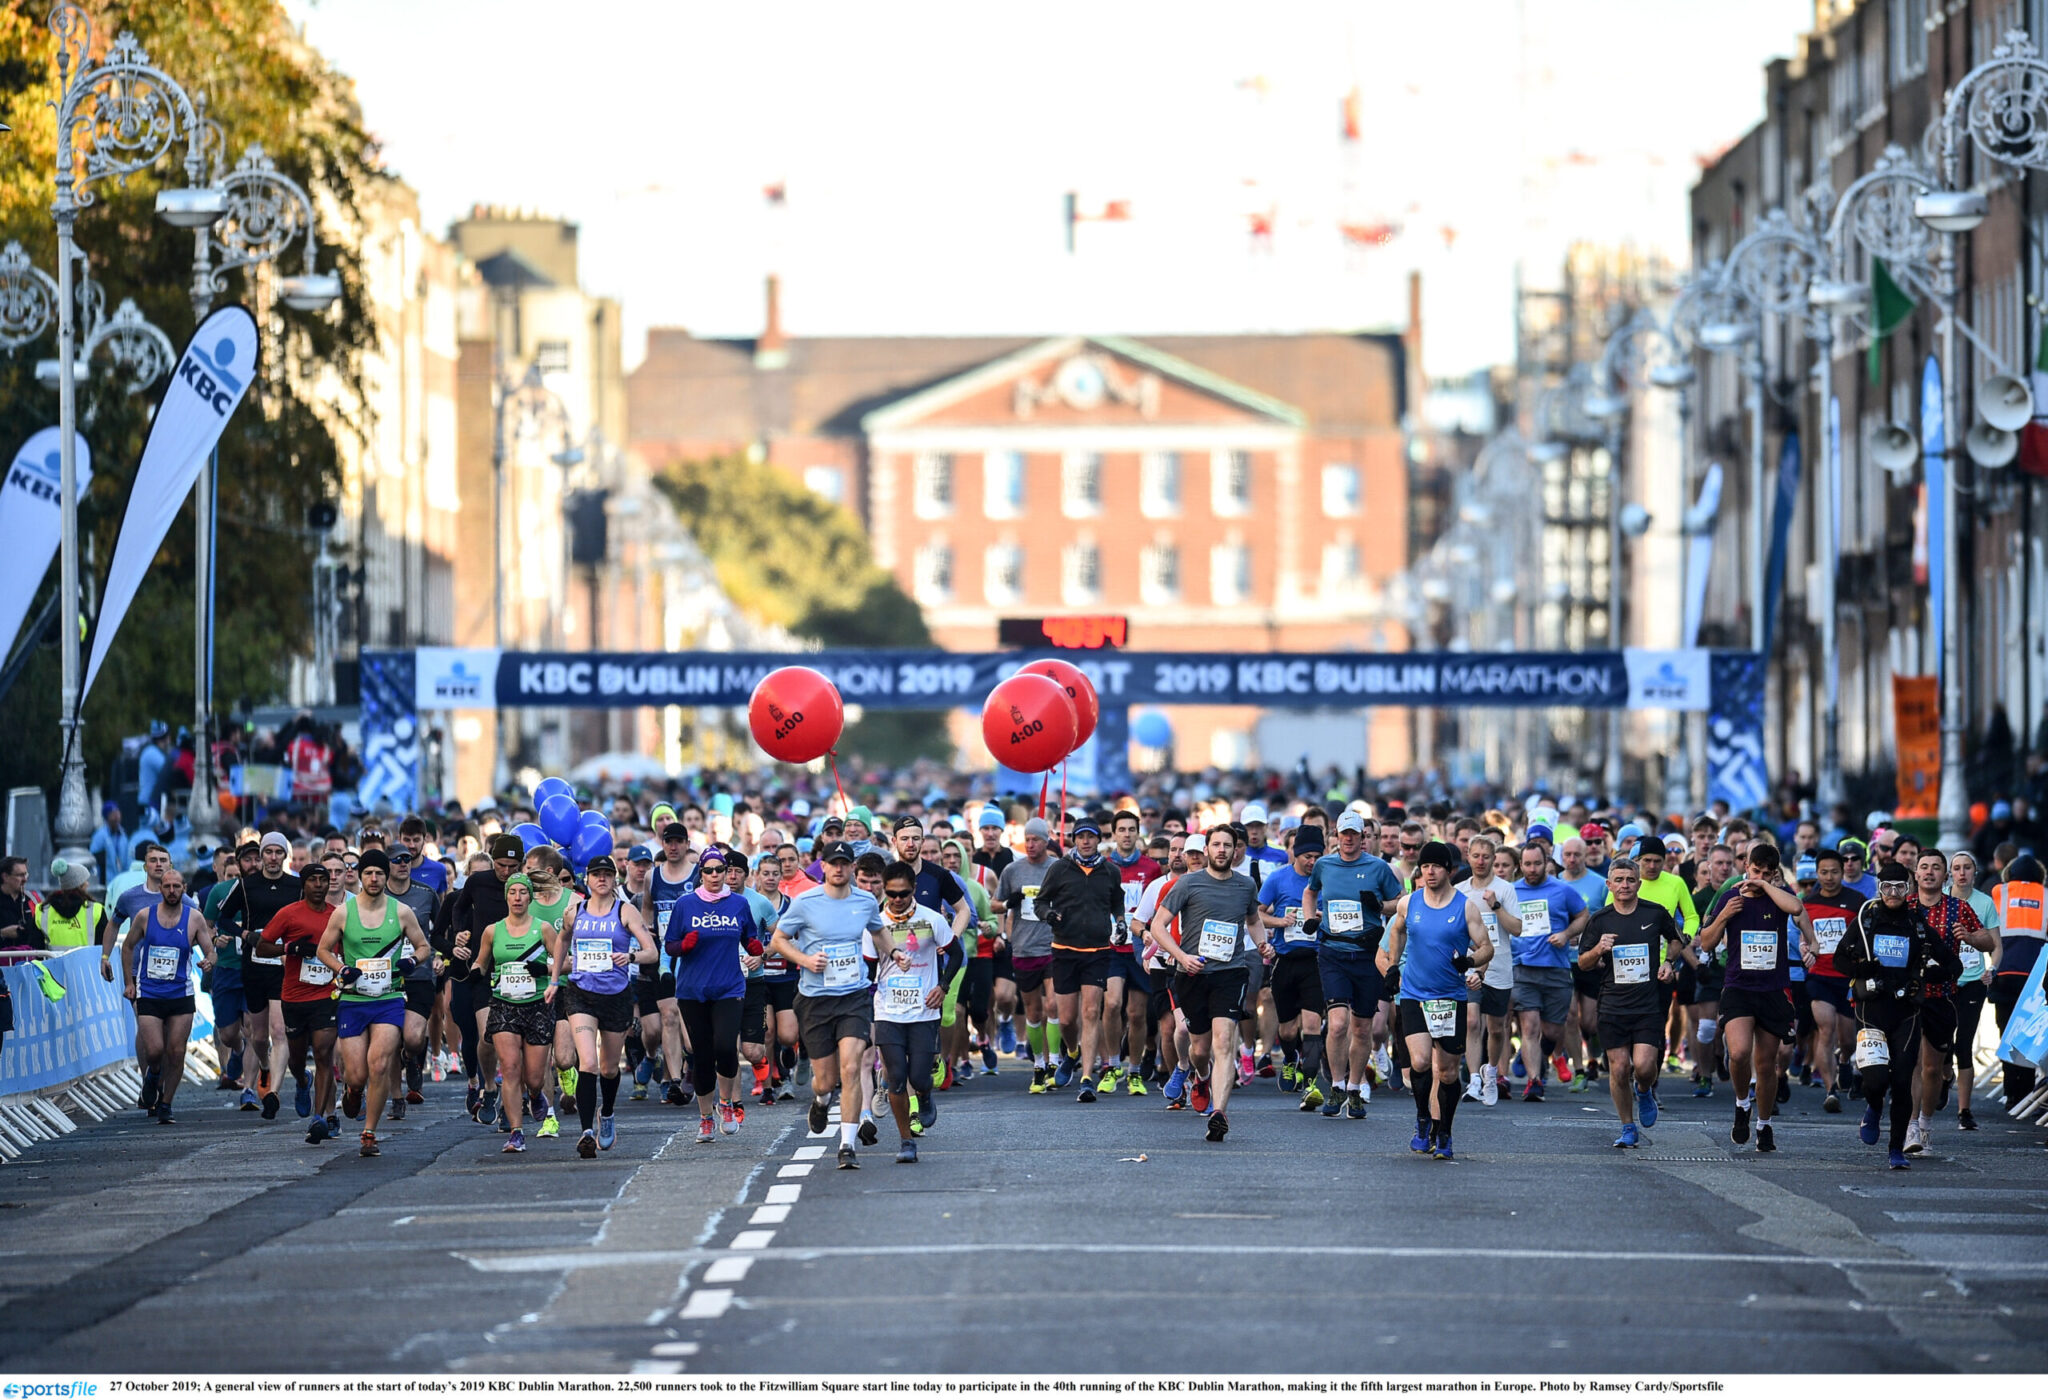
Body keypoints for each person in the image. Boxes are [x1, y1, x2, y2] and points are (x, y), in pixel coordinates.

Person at [770, 840, 900, 1169]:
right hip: (815, 999)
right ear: (823, 866)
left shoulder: (865, 901)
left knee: (853, 1067)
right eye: (833, 863)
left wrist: (896, 952)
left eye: (845, 863)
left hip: (854, 997)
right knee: (826, 1079)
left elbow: (878, 930)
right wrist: (805, 959)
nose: (839, 868)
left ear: (851, 867)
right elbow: (779, 940)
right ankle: (821, 1099)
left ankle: (846, 1145)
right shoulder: (805, 902)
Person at [1836, 863, 1962, 1169]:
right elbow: (1839, 959)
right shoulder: (1867, 921)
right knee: (1876, 1080)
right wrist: (1859, 970)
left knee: (1904, 1079)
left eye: (1900, 888)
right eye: (1887, 888)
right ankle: (1874, 1108)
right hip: (1871, 1011)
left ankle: (1896, 1150)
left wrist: (1935, 975)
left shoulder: (1917, 924)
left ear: (1909, 890)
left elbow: (1954, 965)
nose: (1893, 894)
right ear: (1879, 889)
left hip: (1906, 1012)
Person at [1152, 826, 1265, 1143]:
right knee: (1199, 1049)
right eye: (1215, 844)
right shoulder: (1188, 883)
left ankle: (1219, 1112)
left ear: (1235, 851)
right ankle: (1200, 1077)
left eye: (1227, 845)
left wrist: (1263, 943)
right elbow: (1157, 925)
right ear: (1206, 849)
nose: (1221, 850)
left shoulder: (1245, 886)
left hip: (1230, 973)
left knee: (1224, 1040)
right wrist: (1181, 956)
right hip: (1193, 974)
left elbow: (1253, 920)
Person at [1378, 840, 1490, 1159]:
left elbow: (1486, 947)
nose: (1429, 871)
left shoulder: (1465, 906)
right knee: (1421, 1062)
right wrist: (1393, 967)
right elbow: (1397, 931)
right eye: (1425, 866)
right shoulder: (1408, 903)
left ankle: (1445, 1131)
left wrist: (1469, 962)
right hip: (1413, 994)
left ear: (1448, 871)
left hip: (1450, 998)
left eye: (1436, 866)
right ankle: (1423, 1120)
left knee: (1449, 1072)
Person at [319, 849, 430, 1157]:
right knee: (356, 1073)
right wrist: (341, 968)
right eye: (368, 872)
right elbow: (323, 950)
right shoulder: (344, 912)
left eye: (379, 873)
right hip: (354, 999)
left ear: (387, 875)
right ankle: (353, 1090)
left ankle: (369, 1132)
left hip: (389, 998)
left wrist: (410, 961)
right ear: (361, 875)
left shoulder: (402, 911)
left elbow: (423, 947)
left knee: (379, 1064)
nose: (373, 878)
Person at [1698, 844, 1806, 1152]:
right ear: (1746, 867)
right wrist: (1722, 918)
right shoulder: (1731, 898)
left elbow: (1796, 909)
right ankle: (1742, 1103)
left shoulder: (1778, 898)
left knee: (1766, 1063)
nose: (1756, 878)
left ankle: (1764, 1124)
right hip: (1739, 987)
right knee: (1741, 1052)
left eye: (1764, 873)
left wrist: (1766, 887)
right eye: (1753, 871)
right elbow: (1706, 943)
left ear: (1774, 874)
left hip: (1772, 989)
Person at [1298, 811, 1406, 1119]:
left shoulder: (1377, 868)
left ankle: (1356, 1089)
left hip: (1367, 954)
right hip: (1333, 951)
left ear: (1363, 838)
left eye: (1354, 834)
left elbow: (1401, 902)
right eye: (1342, 833)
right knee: (1337, 1024)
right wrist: (1309, 917)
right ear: (1335, 835)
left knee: (1363, 1028)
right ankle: (1336, 1084)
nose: (1348, 839)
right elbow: (1310, 891)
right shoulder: (1324, 865)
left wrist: (1379, 906)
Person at [552, 855, 656, 1157]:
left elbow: (651, 951)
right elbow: (561, 941)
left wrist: (631, 957)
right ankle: (586, 1131)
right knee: (588, 1063)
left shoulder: (626, 911)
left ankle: (606, 1113)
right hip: (580, 993)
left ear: (614, 878)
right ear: (588, 878)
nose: (602, 879)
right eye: (596, 874)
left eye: (607, 874)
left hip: (616, 996)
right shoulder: (576, 911)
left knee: (610, 1068)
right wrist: (555, 979)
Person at [1576, 857, 1683, 1149]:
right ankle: (1627, 1126)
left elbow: (1676, 939)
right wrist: (1599, 948)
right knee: (1619, 1067)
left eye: (1630, 879)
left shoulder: (1655, 913)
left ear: (1638, 883)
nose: (1625, 885)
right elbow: (1583, 963)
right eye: (1619, 880)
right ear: (1609, 885)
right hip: (1612, 1004)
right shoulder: (1600, 920)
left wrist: (1669, 962)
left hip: (1647, 1004)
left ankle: (1644, 1089)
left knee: (1645, 1066)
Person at [667, 848, 765, 1143]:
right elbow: (670, 945)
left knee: (725, 1047)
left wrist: (756, 949)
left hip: (729, 987)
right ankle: (706, 1118)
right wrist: (684, 945)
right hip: (692, 990)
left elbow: (750, 937)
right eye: (708, 871)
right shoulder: (685, 904)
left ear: (726, 873)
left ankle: (726, 1104)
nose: (714, 875)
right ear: (701, 873)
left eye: (719, 870)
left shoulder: (738, 904)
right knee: (703, 1056)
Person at [1904, 849, 1992, 1154]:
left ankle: (1926, 1123)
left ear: (1945, 876)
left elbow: (1988, 941)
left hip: (1941, 996)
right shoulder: (1905, 906)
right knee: (1911, 1064)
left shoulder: (1958, 907)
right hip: (1908, 997)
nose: (1929, 872)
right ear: (1915, 874)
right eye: (1924, 867)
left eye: (1936, 868)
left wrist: (1968, 936)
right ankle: (1911, 1126)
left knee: (1932, 1068)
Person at [872, 860, 960, 1163]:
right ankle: (906, 1140)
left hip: (923, 1010)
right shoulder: (875, 923)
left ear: (914, 891)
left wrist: (943, 987)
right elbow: (867, 966)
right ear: (885, 889)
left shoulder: (932, 919)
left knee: (921, 1077)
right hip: (888, 1011)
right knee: (896, 1077)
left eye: (904, 893)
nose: (897, 899)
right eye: (892, 893)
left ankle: (923, 1095)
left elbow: (956, 952)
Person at [1036, 815, 1125, 1102]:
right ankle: (1071, 1052)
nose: (1086, 842)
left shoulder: (1110, 871)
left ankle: (1086, 1078)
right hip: (1064, 950)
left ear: (1099, 839)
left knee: (1091, 1012)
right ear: (1074, 840)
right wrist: (1048, 914)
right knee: (1066, 1019)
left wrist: (1120, 922)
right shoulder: (1060, 868)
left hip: (1098, 951)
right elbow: (1040, 901)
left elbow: (1117, 901)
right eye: (1081, 837)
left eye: (1091, 836)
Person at [120, 866, 215, 1124]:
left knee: (176, 1051)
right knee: (154, 1051)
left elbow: (210, 949)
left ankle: (166, 1103)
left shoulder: (194, 918)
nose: (172, 891)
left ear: (184, 889)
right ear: (160, 889)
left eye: (177, 887)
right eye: (167, 887)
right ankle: (152, 1076)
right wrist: (130, 983)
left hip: (180, 994)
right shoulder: (144, 916)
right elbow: (127, 947)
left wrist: (208, 961)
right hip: (149, 992)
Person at [215, 832, 301, 1117]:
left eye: (278, 852)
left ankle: (274, 1093)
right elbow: (223, 917)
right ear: (262, 856)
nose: (273, 858)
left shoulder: (296, 885)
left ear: (285, 855)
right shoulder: (245, 885)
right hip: (254, 965)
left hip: (284, 966)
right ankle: (264, 1067)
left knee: (279, 1031)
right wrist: (245, 934)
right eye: (269, 852)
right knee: (259, 1037)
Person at [471, 873, 557, 1152]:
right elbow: (481, 964)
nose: (517, 897)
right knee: (509, 1068)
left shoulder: (543, 929)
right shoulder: (492, 931)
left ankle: (534, 1094)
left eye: (523, 892)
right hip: (504, 1003)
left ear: (530, 897)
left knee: (533, 1077)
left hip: (536, 1005)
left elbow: (565, 963)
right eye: (513, 892)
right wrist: (472, 973)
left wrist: (544, 969)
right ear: (506, 896)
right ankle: (516, 1133)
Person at [259, 860, 345, 1142]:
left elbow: (347, 950)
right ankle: (301, 1080)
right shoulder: (289, 914)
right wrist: (290, 948)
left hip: (327, 995)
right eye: (313, 880)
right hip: (294, 997)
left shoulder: (338, 915)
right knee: (297, 1060)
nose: (319, 885)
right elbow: (262, 946)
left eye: (323, 880)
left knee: (323, 1053)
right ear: (303, 884)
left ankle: (318, 1118)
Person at [1507, 841, 1591, 1102]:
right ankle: (1534, 1082)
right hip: (1523, 968)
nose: (1532, 869)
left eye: (1537, 864)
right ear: (1520, 865)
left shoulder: (1562, 890)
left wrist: (1566, 934)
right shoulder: (1510, 891)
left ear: (1546, 863)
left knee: (1554, 1031)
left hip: (1556, 968)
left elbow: (1583, 915)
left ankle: (1533, 1058)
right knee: (1529, 1026)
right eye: (1527, 864)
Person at [1259, 827, 1328, 1109]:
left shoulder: (1328, 880)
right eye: (1307, 856)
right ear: (1295, 855)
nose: (1313, 862)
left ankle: (1310, 1085)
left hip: (1315, 960)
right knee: (1287, 1031)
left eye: (1317, 856)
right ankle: (1289, 1059)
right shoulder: (1278, 879)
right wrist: (1281, 922)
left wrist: (1323, 918)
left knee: (1312, 1025)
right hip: (1285, 961)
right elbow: (1258, 915)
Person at [1454, 835, 1521, 1107]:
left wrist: (1495, 906)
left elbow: (1516, 928)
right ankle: (1473, 1079)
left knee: (1496, 1027)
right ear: (1468, 857)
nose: (1481, 861)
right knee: (1471, 1021)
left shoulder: (1505, 890)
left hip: (1500, 967)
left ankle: (1491, 1071)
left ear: (1494, 860)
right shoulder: (1459, 890)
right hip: (1471, 966)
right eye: (1476, 855)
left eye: (1486, 856)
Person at [993, 820, 1060, 1092]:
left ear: (1046, 840)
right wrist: (1011, 901)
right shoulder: (1013, 870)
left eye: (1036, 839)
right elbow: (994, 904)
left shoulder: (1057, 868)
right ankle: (1039, 1064)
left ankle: (1055, 1060)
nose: (1031, 844)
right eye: (1027, 839)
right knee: (1033, 1010)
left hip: (1054, 945)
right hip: (1023, 947)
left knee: (1053, 1005)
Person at [1800, 848, 1864, 1114]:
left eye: (1834, 872)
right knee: (1825, 1029)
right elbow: (1803, 937)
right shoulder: (1807, 902)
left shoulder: (1857, 900)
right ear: (1817, 873)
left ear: (1843, 872)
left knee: (1847, 1039)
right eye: (1823, 872)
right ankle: (1830, 1090)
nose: (1829, 877)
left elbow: (1864, 937)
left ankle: (1846, 1060)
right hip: (1819, 976)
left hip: (1847, 979)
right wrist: (1806, 949)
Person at [640, 820, 698, 1106]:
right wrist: (646, 930)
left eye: (678, 841)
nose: (673, 847)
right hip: (664, 956)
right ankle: (674, 1081)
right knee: (669, 1016)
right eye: (668, 841)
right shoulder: (653, 876)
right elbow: (648, 906)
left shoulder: (698, 874)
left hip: (695, 956)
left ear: (687, 844)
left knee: (688, 1018)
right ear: (661, 844)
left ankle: (691, 1064)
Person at [383, 845, 440, 1118]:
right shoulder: (376, 896)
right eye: (396, 860)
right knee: (391, 1038)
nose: (403, 864)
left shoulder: (426, 894)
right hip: (385, 977)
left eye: (406, 859)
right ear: (388, 866)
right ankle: (396, 1097)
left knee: (413, 1038)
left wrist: (439, 957)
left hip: (419, 974)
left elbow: (440, 931)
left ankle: (413, 1057)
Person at [1991, 854, 2046, 1108]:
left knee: (2006, 1031)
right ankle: (2024, 1092)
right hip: (2035, 978)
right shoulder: (2046, 896)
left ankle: (2010, 1090)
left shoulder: (1999, 892)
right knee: (2027, 1035)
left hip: (2003, 973)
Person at [1947, 851, 1996, 1132]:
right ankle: (1942, 1078)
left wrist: (1993, 968)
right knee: (1941, 1047)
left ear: (1974, 872)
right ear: (1949, 873)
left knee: (1963, 1044)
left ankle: (1964, 1110)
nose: (1962, 872)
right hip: (1943, 980)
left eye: (1967, 868)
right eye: (1957, 868)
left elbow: (1994, 943)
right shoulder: (1940, 901)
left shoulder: (1984, 902)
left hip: (1973, 980)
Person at [90, 801, 133, 883]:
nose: (116, 817)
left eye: (117, 813)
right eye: (112, 814)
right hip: (107, 883)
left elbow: (128, 858)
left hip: (122, 881)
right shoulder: (99, 836)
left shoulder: (123, 835)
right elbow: (93, 860)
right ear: (106, 817)